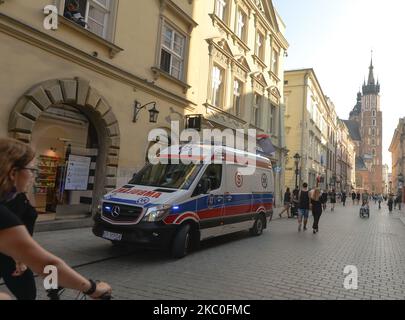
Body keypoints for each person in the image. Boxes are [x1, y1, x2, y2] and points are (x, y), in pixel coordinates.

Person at [0, 138, 112, 300]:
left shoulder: (14, 200)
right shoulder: (4, 213)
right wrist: (93, 288)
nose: (33, 175)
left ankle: (53, 289)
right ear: (13, 173)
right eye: (31, 169)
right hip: (15, 255)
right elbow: (47, 265)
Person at [0, 192, 38, 300]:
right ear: (12, 174)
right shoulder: (8, 195)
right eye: (29, 173)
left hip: (18, 252)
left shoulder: (24, 191)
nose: (32, 175)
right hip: (11, 252)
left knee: (28, 294)